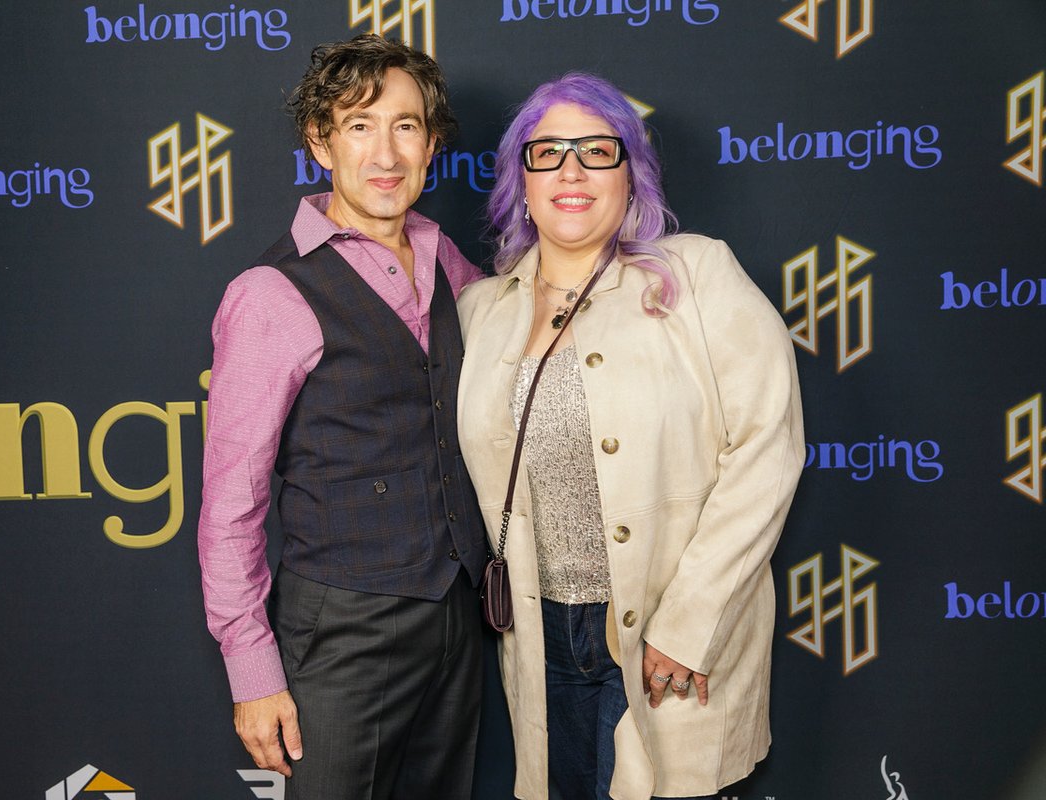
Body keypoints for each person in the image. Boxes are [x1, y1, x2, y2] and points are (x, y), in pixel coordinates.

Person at [456, 73, 805, 800]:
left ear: (632, 173)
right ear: (521, 180)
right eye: (547, 153)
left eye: (597, 151)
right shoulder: (478, 311)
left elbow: (768, 447)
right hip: (540, 638)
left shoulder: (699, 274)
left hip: (668, 639)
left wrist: (690, 622)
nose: (571, 171)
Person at [198, 34, 487, 800]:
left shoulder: (448, 259)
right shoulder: (269, 295)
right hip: (344, 629)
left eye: (405, 125)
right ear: (321, 143)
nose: (385, 152)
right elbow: (232, 504)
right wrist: (252, 671)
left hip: (459, 617)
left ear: (430, 144)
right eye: (359, 125)